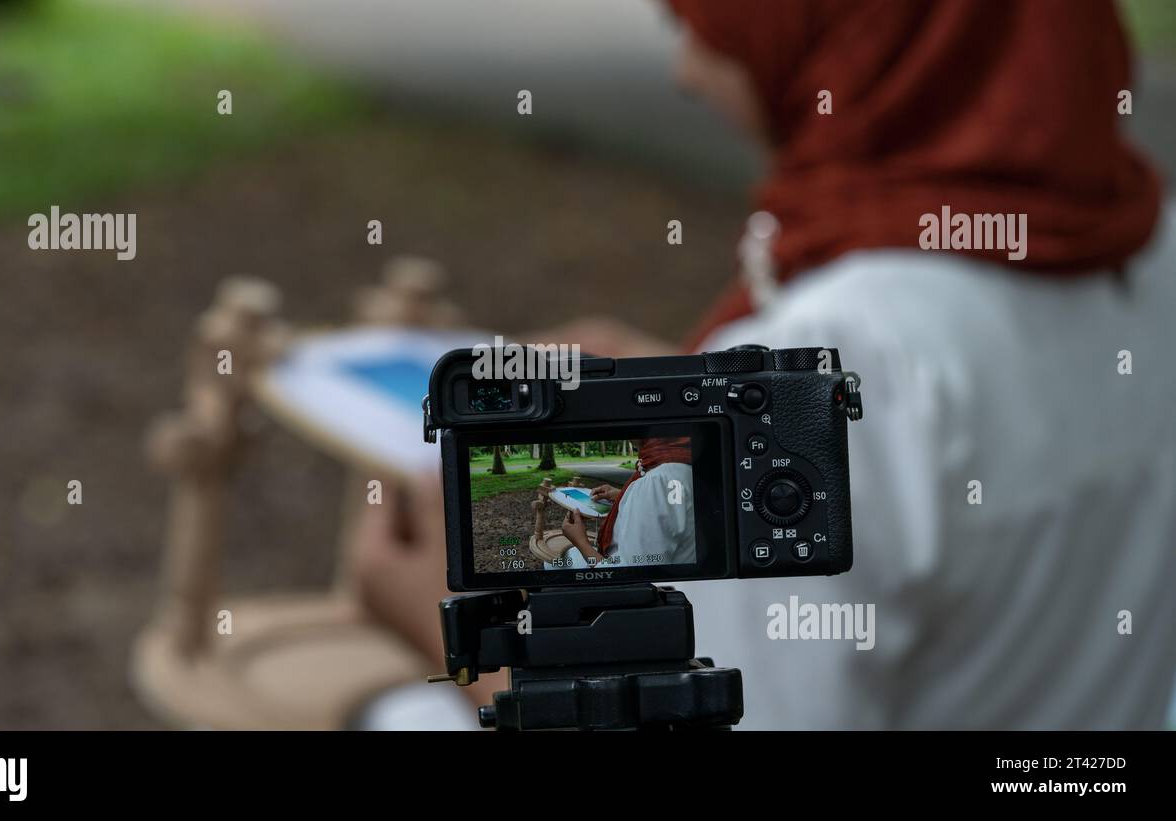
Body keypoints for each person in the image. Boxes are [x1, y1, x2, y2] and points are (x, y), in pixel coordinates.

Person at [352, 0, 1176, 729]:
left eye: (706, 26)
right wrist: (690, 387)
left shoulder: (861, 346)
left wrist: (451, 628)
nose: (684, 72)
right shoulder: (1152, 245)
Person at [559, 438, 696, 569]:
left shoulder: (657, 479)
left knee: (558, 561)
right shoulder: (681, 461)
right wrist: (624, 496)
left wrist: (581, 543)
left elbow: (633, 574)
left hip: (622, 577)